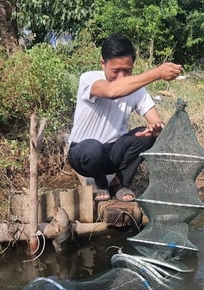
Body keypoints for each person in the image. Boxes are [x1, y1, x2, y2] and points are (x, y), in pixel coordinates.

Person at [67, 34, 183, 202]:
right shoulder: (89, 79)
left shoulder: (137, 90)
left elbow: (156, 122)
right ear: (103, 63)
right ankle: (101, 184)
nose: (121, 76)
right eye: (115, 71)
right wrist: (157, 73)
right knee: (92, 148)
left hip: (113, 154)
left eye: (127, 71)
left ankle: (121, 184)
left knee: (145, 136)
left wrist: (156, 130)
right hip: (83, 155)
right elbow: (112, 91)